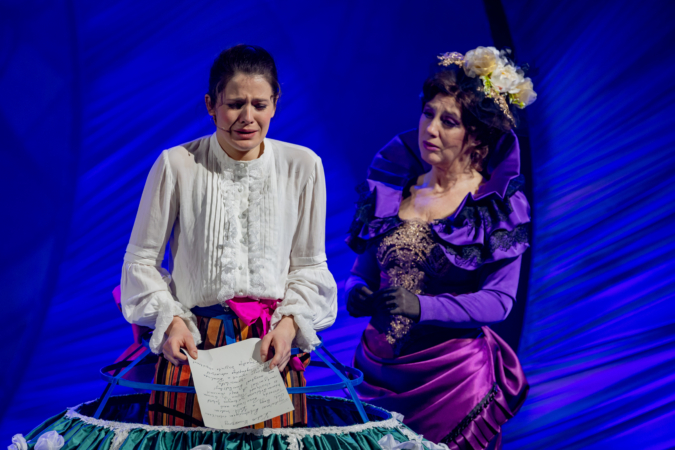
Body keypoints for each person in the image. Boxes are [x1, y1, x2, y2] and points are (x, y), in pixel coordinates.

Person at [120, 44, 337, 428]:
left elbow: (310, 266)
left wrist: (289, 325)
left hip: (270, 346)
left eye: (259, 104)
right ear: (211, 104)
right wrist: (171, 322)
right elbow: (140, 261)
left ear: (275, 103)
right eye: (235, 104)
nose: (247, 118)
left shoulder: (303, 166)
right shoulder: (177, 164)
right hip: (195, 345)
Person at [345, 47, 536, 447]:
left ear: (476, 136)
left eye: (448, 121)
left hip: (450, 384)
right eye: (427, 113)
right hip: (376, 375)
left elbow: (499, 301)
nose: (430, 129)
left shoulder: (495, 207)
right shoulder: (393, 189)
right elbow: (362, 271)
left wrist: (423, 307)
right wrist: (357, 292)